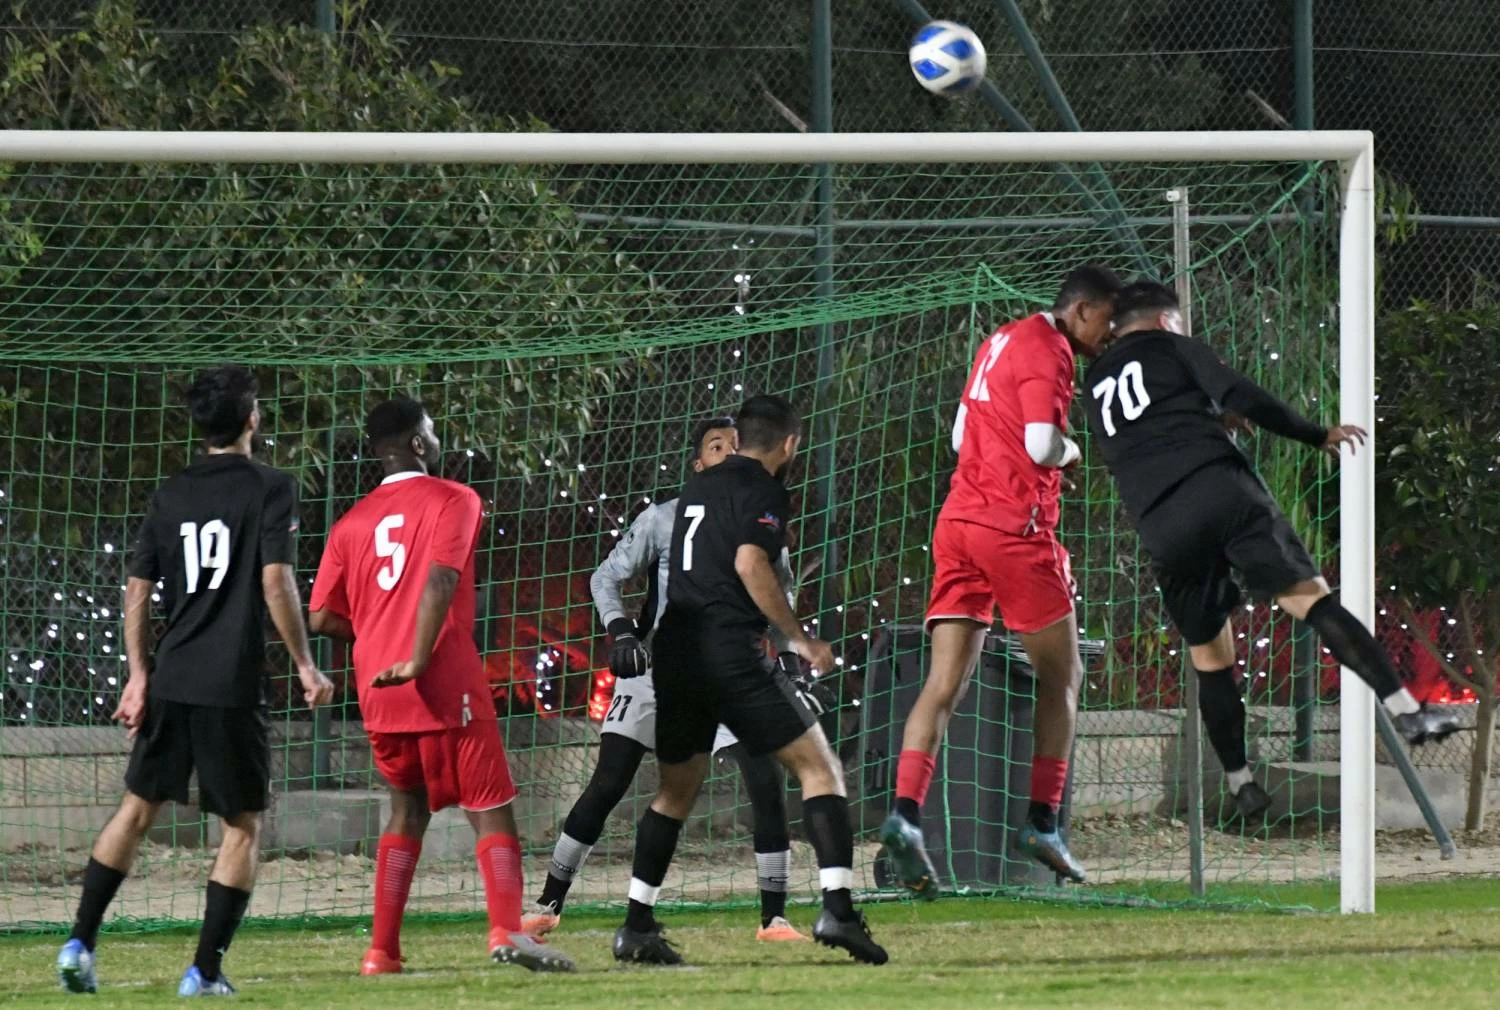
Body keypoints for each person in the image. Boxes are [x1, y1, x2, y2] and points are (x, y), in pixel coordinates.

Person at [1080, 280, 1458, 814]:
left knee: (1210, 657)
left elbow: (1149, 430)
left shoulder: (1094, 379)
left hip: (1161, 523)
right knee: (1311, 601)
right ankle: (1407, 711)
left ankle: (1241, 783)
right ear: (1165, 320)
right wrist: (1315, 433)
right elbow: (1243, 393)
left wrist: (1208, 418)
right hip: (1220, 489)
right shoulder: (1173, 345)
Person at [57, 366, 335, 997]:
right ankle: (204, 973)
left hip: (172, 676)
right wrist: (304, 664)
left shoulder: (171, 491)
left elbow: (136, 590)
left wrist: (138, 676)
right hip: (230, 684)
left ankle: (78, 943)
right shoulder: (272, 487)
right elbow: (275, 580)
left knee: (136, 810)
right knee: (242, 826)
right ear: (252, 420)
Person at [524, 416, 823, 943]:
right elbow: (606, 577)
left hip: (732, 672)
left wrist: (790, 665)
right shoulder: (663, 518)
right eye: (716, 446)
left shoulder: (764, 523)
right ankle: (549, 902)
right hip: (657, 671)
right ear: (698, 464)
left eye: (735, 446)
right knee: (609, 782)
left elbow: (779, 605)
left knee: (765, 780)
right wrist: (621, 632)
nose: (728, 452)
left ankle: (774, 918)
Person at [611, 394, 887, 966]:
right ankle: (838, 909)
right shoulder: (764, 489)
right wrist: (800, 639)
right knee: (821, 769)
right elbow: (749, 564)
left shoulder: (698, 488)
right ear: (790, 444)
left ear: (736, 441)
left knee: (675, 793)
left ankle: (635, 926)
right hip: (729, 652)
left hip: (676, 653)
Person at [308, 398, 574, 974]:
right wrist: (416, 656)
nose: (436, 439)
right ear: (418, 444)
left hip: (378, 690)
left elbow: (322, 616)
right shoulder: (455, 498)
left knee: (405, 810)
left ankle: (381, 952)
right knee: (492, 809)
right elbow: (440, 579)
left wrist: (379, 634)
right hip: (440, 679)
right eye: (431, 431)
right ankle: (508, 932)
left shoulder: (350, 522)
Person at [880, 265, 1122, 896]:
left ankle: (904, 815)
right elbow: (1042, 443)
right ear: (1081, 309)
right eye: (1109, 319)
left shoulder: (1000, 339)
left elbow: (962, 435)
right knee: (1062, 676)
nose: (1112, 332)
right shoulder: (1052, 351)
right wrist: (1070, 453)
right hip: (1014, 530)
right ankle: (1043, 821)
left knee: (943, 684)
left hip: (958, 523)